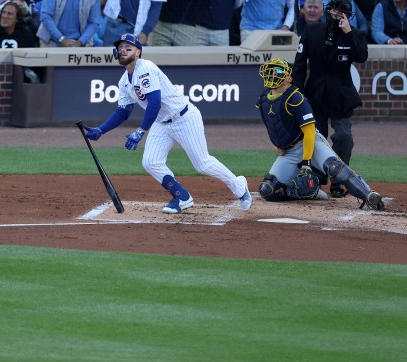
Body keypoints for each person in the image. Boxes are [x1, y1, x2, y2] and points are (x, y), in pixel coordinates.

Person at [83, 34, 252, 214]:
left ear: (138, 52)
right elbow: (123, 111)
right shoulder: (124, 81)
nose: (122, 50)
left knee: (202, 164)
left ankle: (239, 186)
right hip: (161, 122)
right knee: (151, 162)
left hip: (184, 118)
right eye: (120, 48)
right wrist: (101, 130)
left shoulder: (145, 68)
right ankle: (182, 196)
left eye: (128, 47)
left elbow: (154, 103)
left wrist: (140, 131)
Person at [255, 58, 384, 210]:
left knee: (335, 168)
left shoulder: (296, 98)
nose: (272, 74)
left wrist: (306, 164)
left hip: (310, 143)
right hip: (289, 151)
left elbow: (309, 132)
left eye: (277, 71)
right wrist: (277, 146)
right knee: (268, 190)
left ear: (289, 78)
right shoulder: (264, 100)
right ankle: (307, 191)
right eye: (271, 70)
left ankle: (369, 195)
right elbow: (274, 127)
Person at [292, 0, 368, 198]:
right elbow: (299, 66)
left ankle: (339, 180)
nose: (337, 13)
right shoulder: (311, 31)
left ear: (348, 15)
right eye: (335, 9)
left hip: (341, 96)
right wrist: (297, 95)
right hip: (315, 94)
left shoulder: (355, 34)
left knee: (344, 137)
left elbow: (361, 56)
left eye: (342, 10)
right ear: (328, 10)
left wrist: (349, 33)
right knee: (316, 138)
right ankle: (316, 179)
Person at [36, 0, 101, 47]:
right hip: (51, 40)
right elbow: (45, 16)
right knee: (51, 65)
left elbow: (94, 22)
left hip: (78, 43)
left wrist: (81, 41)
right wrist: (61, 39)